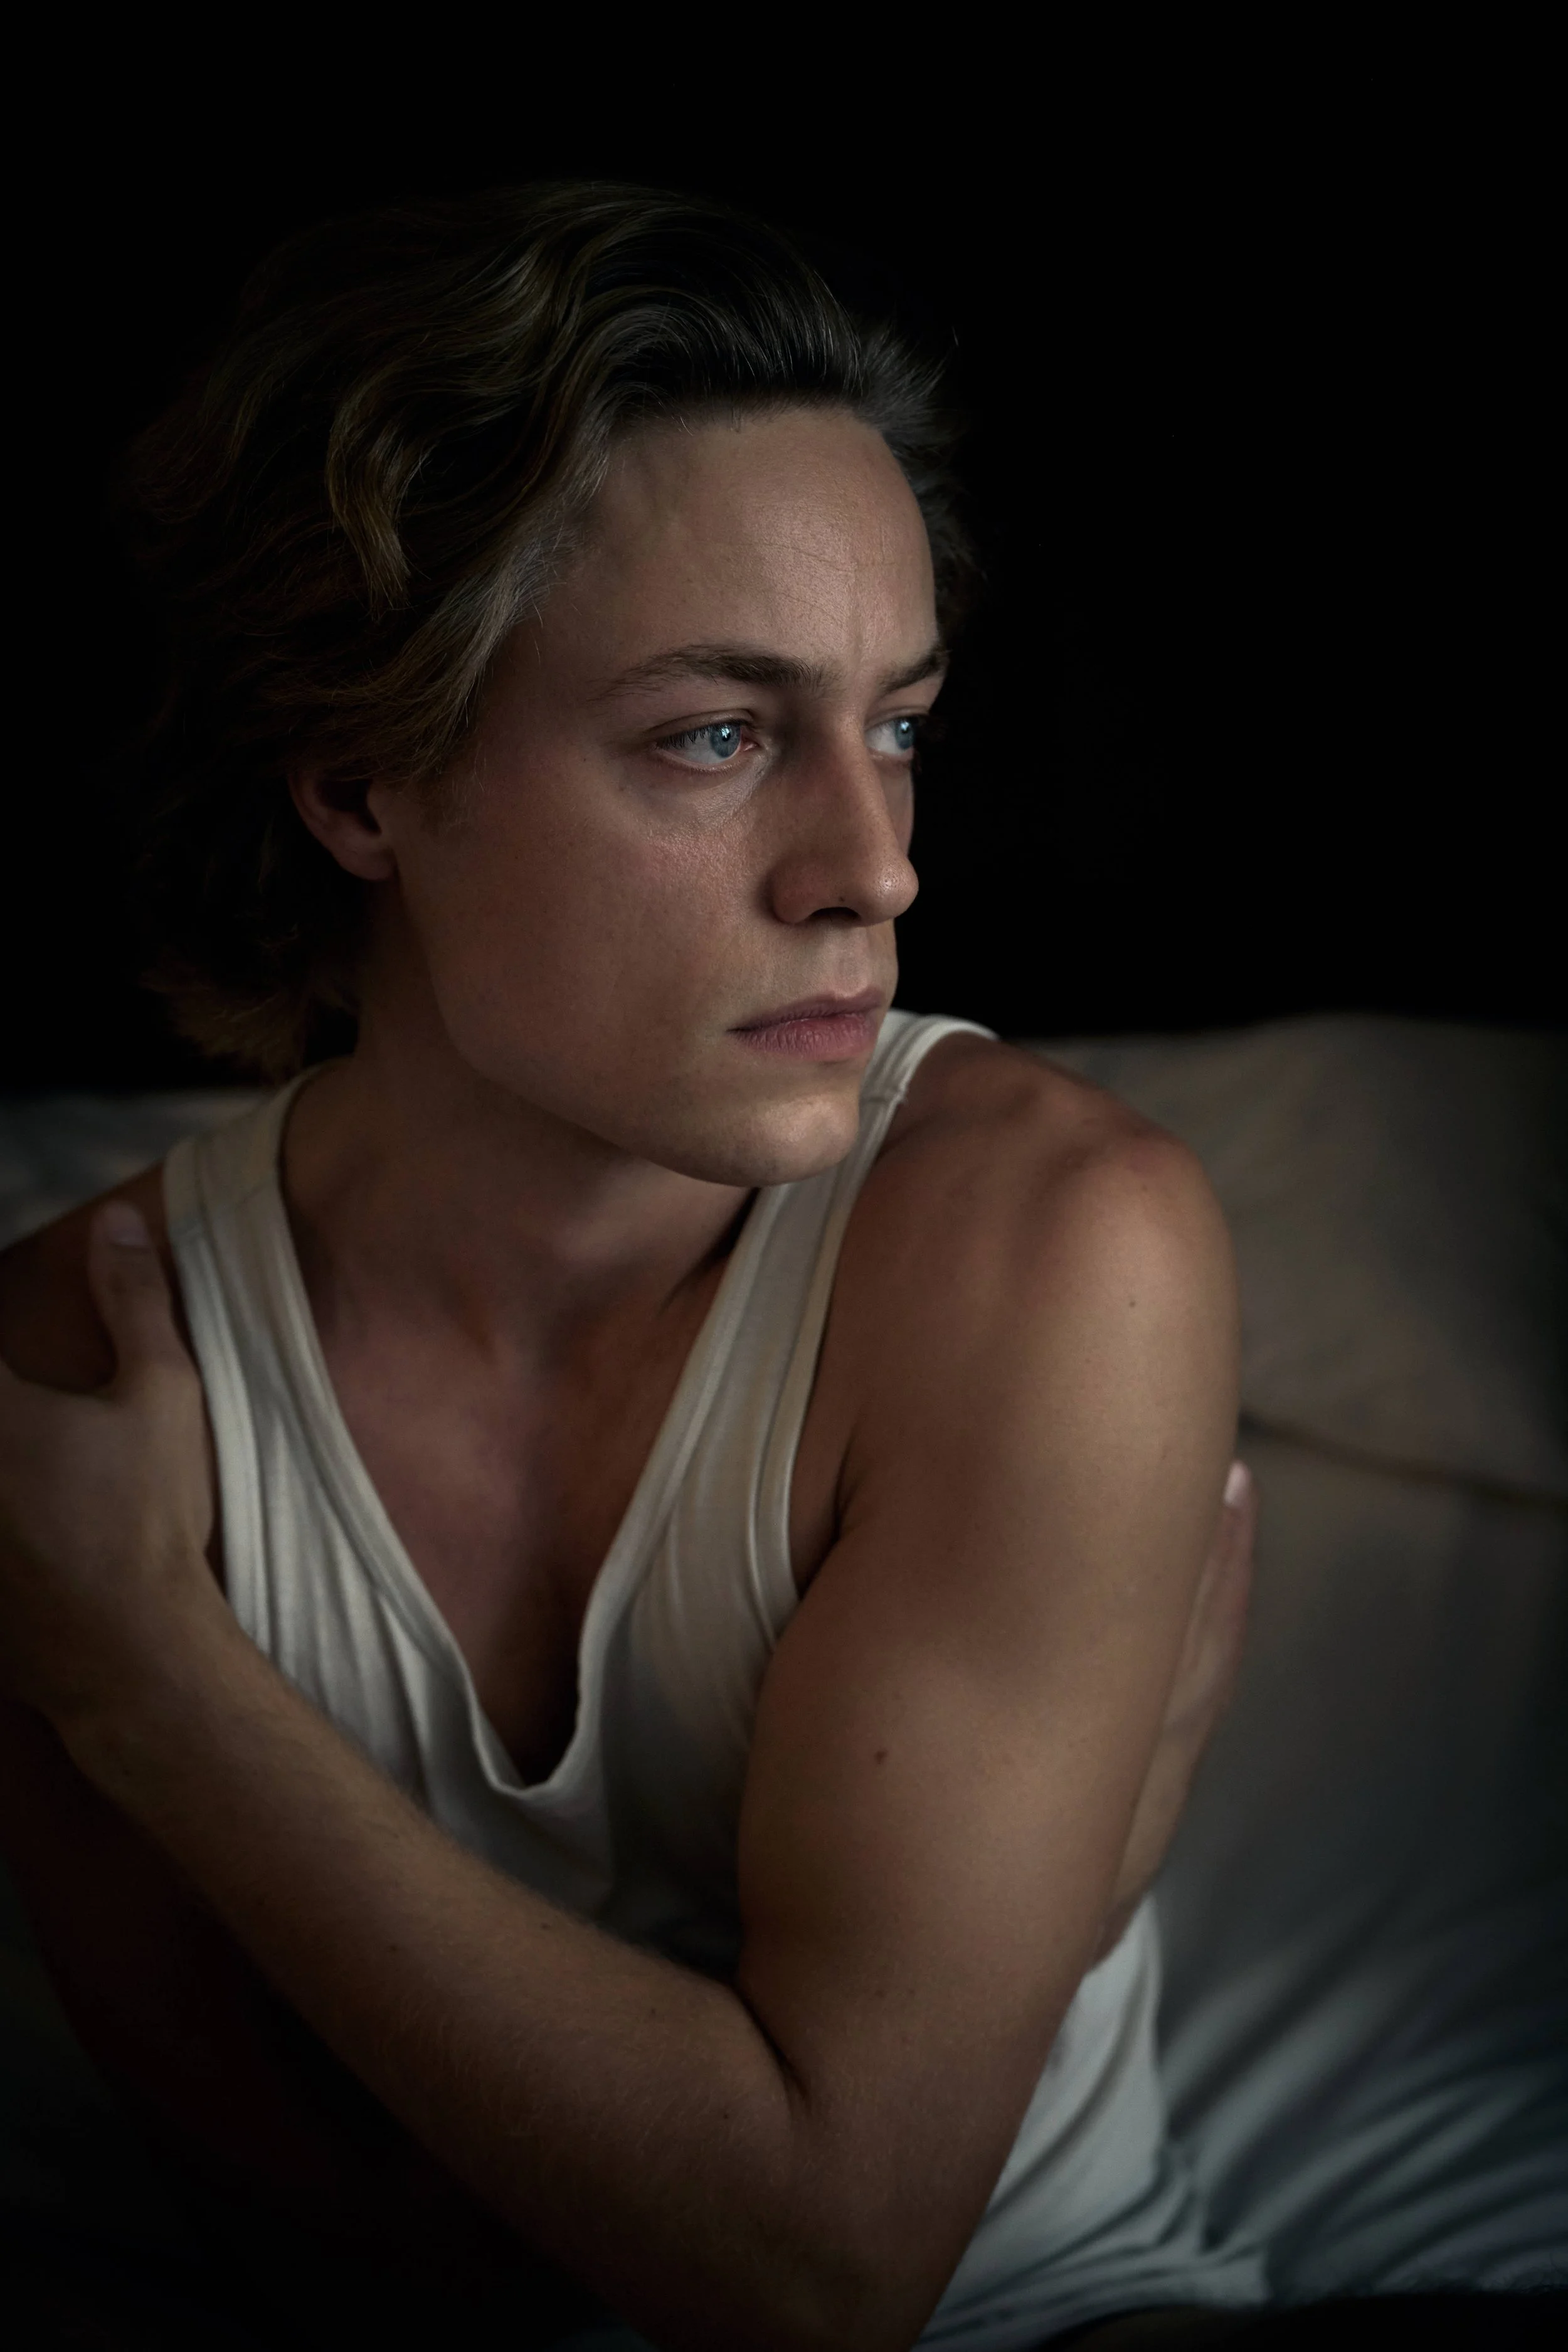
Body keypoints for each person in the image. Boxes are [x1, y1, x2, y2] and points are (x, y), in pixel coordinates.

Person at [0, 186, 1264, 2350]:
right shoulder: (68, 1391)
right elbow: (353, 2281)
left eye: (895, 721)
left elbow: (830, 2263)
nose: (873, 868)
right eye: (715, 734)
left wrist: (154, 1686)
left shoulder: (1050, 1249)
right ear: (361, 777)